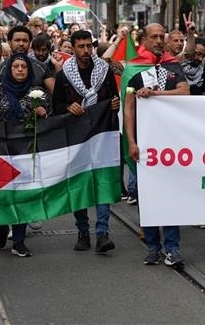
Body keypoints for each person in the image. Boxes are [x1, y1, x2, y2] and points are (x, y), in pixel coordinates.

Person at [124, 23, 189, 268]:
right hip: (145, 144)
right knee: (147, 197)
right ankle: (152, 246)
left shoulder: (172, 65)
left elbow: (185, 92)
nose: (159, 40)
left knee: (169, 196)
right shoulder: (134, 69)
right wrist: (131, 141)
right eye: (154, 37)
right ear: (143, 40)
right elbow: (129, 107)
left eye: (162, 36)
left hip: (170, 144)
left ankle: (172, 248)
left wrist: (156, 94)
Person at [52, 30, 121, 253]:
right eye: (80, 47)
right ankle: (83, 230)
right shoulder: (64, 76)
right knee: (79, 183)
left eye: (88, 46)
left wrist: (114, 104)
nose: (85, 51)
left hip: (102, 133)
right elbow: (56, 107)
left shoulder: (105, 71)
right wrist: (67, 107)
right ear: (72, 48)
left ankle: (102, 232)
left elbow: (113, 97)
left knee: (102, 181)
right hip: (76, 138)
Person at [0, 53, 52, 258]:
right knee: (3, 194)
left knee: (23, 194)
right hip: (2, 151)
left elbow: (48, 119)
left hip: (26, 150)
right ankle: (3, 227)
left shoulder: (37, 93)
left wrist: (42, 112)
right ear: (10, 69)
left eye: (24, 66)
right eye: (16, 66)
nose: (20, 69)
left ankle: (19, 241)